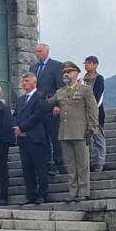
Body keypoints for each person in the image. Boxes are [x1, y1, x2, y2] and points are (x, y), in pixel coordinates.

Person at [48, 61, 100, 202]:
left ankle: (83, 191)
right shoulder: (60, 92)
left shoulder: (85, 90)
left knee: (83, 164)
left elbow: (93, 110)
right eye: (65, 72)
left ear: (76, 73)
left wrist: (91, 128)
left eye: (70, 72)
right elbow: (48, 103)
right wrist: (42, 98)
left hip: (81, 131)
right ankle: (72, 191)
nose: (66, 74)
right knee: (70, 164)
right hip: (65, 132)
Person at [13, 72, 49, 205]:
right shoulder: (21, 99)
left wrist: (22, 127)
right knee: (27, 168)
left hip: (35, 137)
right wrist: (16, 127)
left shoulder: (40, 96)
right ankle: (31, 194)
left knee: (40, 167)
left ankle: (43, 194)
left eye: (27, 81)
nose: (24, 83)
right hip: (23, 138)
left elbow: (38, 115)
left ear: (34, 82)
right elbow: (15, 115)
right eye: (23, 81)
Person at [33, 43, 65, 175]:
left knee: (54, 136)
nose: (38, 54)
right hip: (38, 107)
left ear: (47, 52)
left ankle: (59, 163)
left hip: (52, 106)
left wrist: (58, 104)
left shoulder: (57, 66)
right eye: (36, 52)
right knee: (43, 136)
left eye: (40, 51)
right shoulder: (33, 67)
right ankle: (47, 163)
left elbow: (60, 87)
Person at [82, 56, 107, 172]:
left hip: (96, 113)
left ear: (96, 65)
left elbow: (98, 97)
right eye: (85, 63)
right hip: (83, 113)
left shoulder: (99, 79)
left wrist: (92, 110)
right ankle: (88, 162)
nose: (87, 65)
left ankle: (99, 162)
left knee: (98, 138)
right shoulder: (82, 80)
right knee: (87, 139)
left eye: (89, 63)